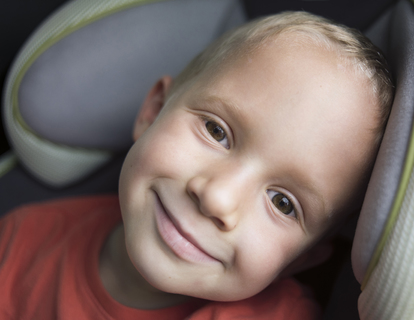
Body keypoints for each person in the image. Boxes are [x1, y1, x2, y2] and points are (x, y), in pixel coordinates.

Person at [0, 11, 393, 319]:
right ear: (153, 111)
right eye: (216, 131)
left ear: (303, 259)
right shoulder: (21, 237)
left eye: (283, 203)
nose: (217, 198)